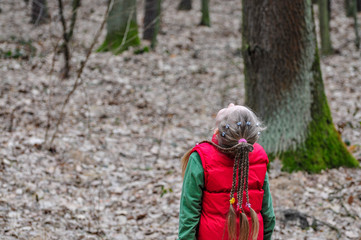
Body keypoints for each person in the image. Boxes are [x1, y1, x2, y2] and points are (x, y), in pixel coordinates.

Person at [178, 104, 275, 240]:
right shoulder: (258, 156)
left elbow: (189, 214)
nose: (231, 105)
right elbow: (268, 214)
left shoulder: (201, 158)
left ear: (216, 132)